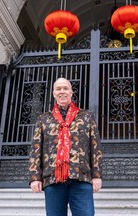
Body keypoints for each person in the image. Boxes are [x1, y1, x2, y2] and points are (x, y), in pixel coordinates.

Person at [29, 77, 103, 216]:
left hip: (81, 178)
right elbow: (36, 149)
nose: (62, 91)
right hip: (53, 179)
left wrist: (97, 175)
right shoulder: (44, 119)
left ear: (71, 92)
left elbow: (95, 147)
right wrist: (35, 178)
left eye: (65, 88)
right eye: (58, 89)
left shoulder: (86, 116)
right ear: (53, 93)